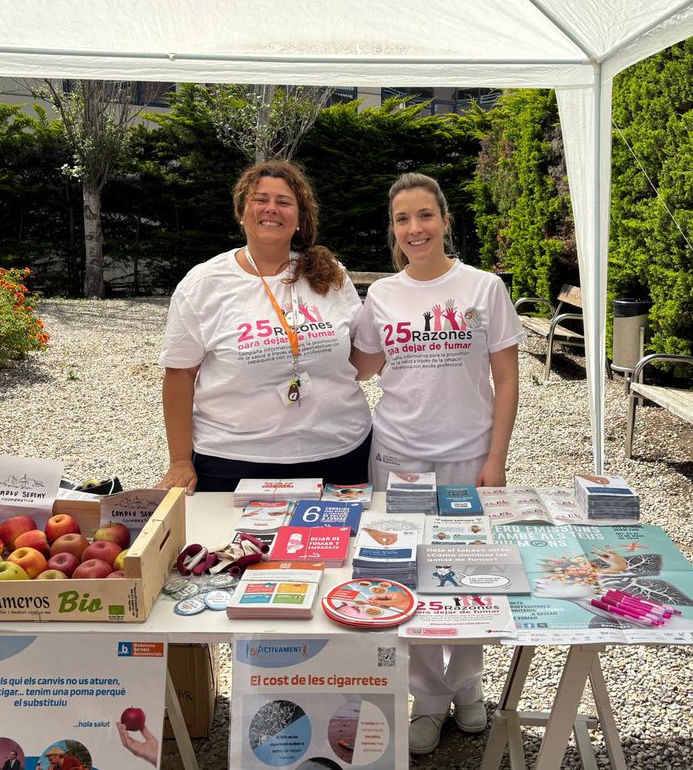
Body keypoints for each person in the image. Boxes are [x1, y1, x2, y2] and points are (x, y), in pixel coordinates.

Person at [352, 172, 523, 756]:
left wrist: (495, 457)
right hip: (398, 455)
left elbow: (506, 378)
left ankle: (469, 690)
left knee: (471, 575)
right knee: (411, 575)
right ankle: (426, 699)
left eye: (425, 215)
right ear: (393, 230)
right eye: (402, 219)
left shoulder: (483, 288)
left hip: (468, 455)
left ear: (446, 221)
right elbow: (362, 366)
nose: (414, 228)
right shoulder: (380, 295)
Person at [157, 160, 372, 493]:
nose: (271, 208)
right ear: (242, 211)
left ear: (300, 218)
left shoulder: (329, 273)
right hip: (234, 462)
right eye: (260, 199)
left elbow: (361, 354)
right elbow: (179, 374)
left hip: (339, 454)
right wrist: (181, 462)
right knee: (234, 548)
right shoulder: (204, 283)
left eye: (284, 202)